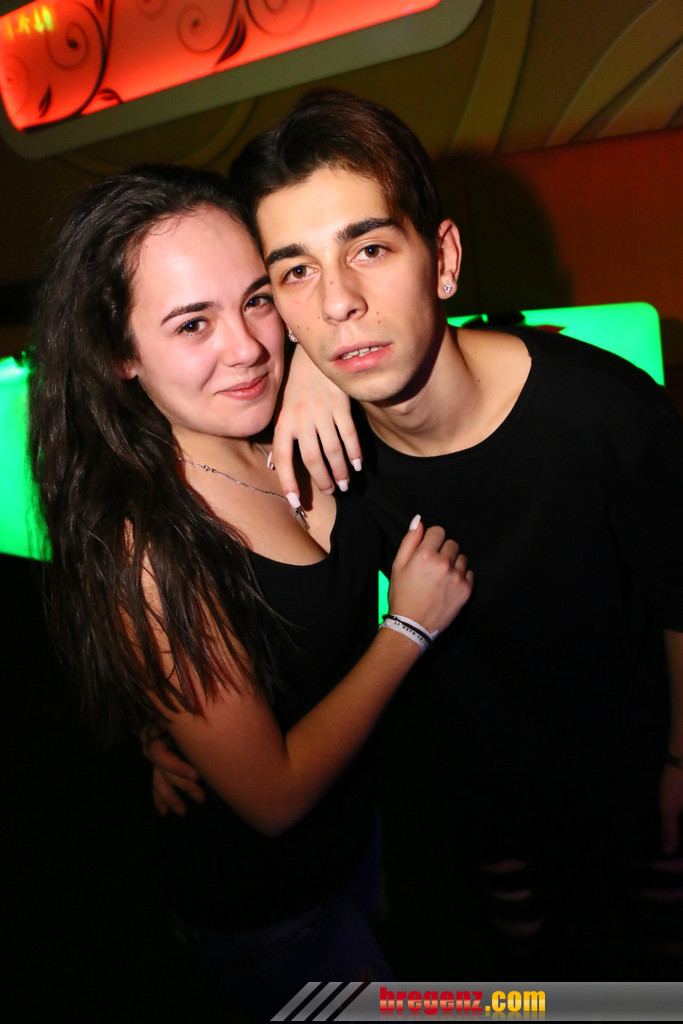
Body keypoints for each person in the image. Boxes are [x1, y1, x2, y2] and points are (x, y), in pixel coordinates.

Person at [148, 94, 683, 969]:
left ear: (443, 258)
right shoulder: (315, 452)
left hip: (634, 776)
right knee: (531, 981)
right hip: (472, 801)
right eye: (295, 273)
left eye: (368, 249)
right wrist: (165, 724)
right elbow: (243, 599)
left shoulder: (602, 412)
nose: (340, 302)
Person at [28, 164, 474, 1016]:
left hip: (360, 831)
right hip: (271, 907)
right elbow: (269, 799)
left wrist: (315, 363)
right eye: (192, 322)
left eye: (259, 299)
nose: (246, 348)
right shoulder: (150, 546)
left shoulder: (293, 421)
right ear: (120, 354)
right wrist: (408, 628)